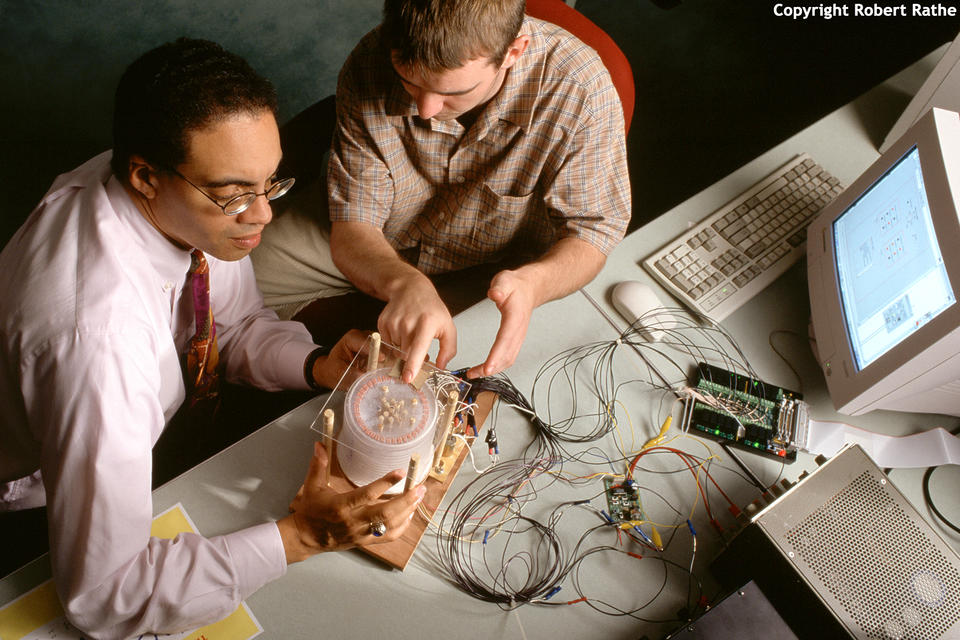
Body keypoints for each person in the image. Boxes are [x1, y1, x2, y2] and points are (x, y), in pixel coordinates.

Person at [0, 38, 424, 639]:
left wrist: (314, 364)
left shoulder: (176, 196)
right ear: (145, 175)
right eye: (235, 197)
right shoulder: (101, 354)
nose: (264, 216)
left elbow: (234, 323)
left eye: (270, 185)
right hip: (37, 491)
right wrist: (302, 537)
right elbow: (104, 597)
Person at [251, 0, 630, 385]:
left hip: (490, 268)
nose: (426, 109)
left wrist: (535, 283)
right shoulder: (370, 60)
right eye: (409, 82)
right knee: (228, 276)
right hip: (378, 237)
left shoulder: (582, 89)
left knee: (455, 385)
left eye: (453, 91)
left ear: (514, 52)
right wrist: (404, 283)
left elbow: (592, 233)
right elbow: (355, 224)